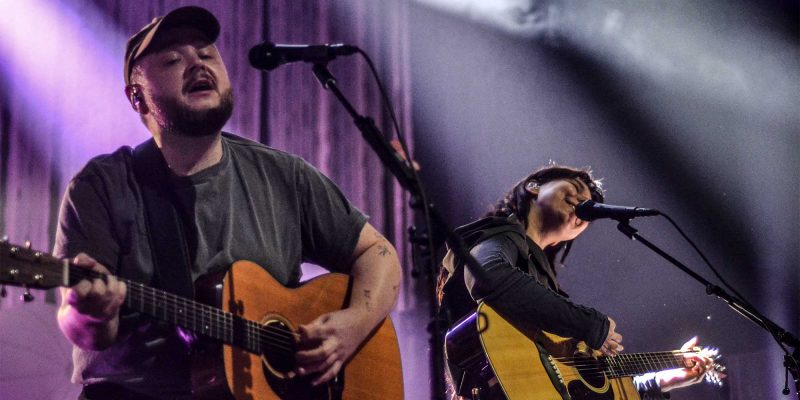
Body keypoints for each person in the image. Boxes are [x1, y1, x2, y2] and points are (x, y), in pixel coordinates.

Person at [54, 6, 401, 400]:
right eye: (172, 60)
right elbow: (79, 324)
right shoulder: (102, 186)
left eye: (206, 54)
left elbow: (379, 253)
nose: (196, 65)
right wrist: (90, 312)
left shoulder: (284, 175)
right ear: (137, 97)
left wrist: (352, 326)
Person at [437, 164, 718, 400]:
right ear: (534, 186)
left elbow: (581, 385)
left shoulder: (541, 284)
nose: (582, 201)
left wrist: (661, 380)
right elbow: (489, 277)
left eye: (588, 206)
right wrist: (590, 325)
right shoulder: (501, 236)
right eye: (573, 189)